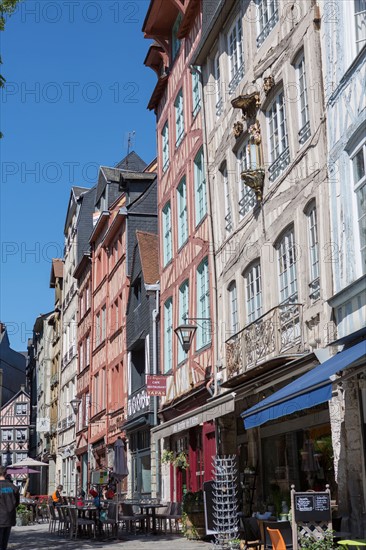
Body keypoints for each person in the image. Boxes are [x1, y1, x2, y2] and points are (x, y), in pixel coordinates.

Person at [0, 466, 20, 550]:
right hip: (9, 517)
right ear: (6, 473)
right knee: (4, 542)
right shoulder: (13, 487)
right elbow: (17, 503)